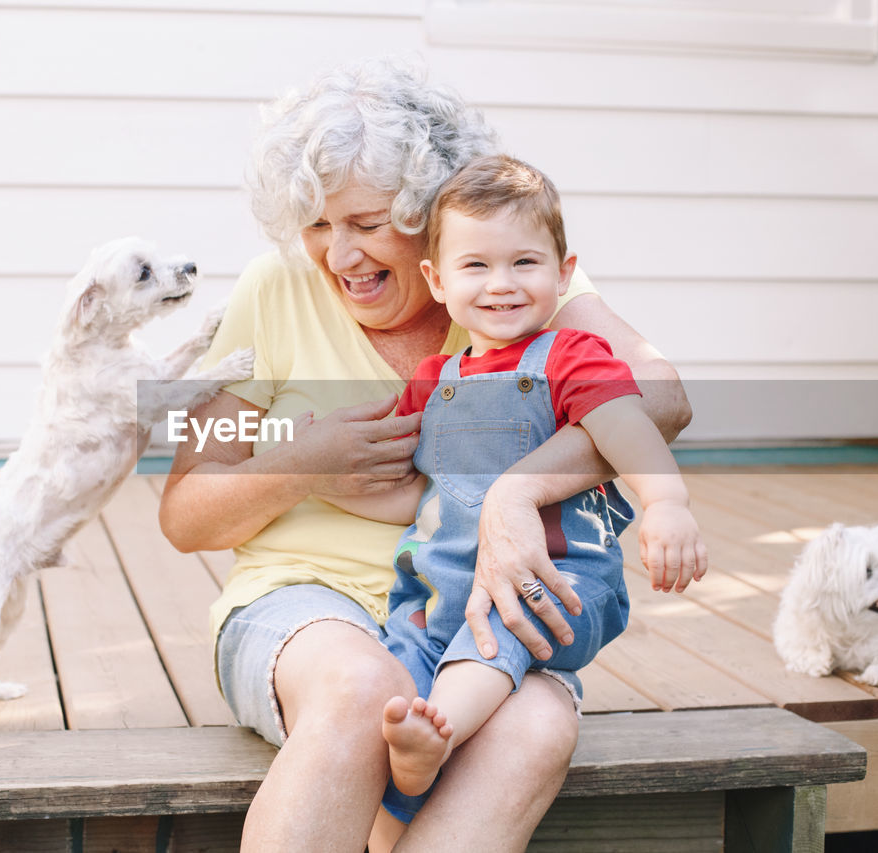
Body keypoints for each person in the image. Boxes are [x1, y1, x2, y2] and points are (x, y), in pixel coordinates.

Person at [158, 58, 693, 853]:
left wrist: (516, 491)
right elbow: (184, 506)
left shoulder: (506, 277)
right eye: (316, 224)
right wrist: (306, 458)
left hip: (480, 612)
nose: (338, 255)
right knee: (362, 686)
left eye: (367, 222)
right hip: (308, 603)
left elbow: (662, 398)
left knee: (540, 721)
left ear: (432, 215)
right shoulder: (274, 289)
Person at [315, 154, 708, 805]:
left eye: (524, 262)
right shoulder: (433, 381)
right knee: (396, 678)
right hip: (439, 592)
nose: (501, 283)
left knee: (492, 633)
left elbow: (626, 425)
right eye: (476, 266)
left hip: (554, 582)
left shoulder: (573, 356)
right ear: (437, 280)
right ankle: (407, 769)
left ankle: (440, 734)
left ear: (565, 272)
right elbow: (421, 491)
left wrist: (666, 499)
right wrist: (324, 481)